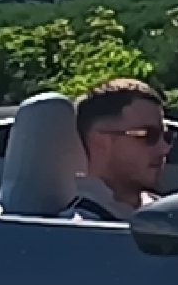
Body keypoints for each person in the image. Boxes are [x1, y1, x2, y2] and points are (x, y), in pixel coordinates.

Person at [68, 78, 170, 220]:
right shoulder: (76, 231)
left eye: (167, 136)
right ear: (100, 142)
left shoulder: (167, 214)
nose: (164, 148)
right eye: (147, 135)